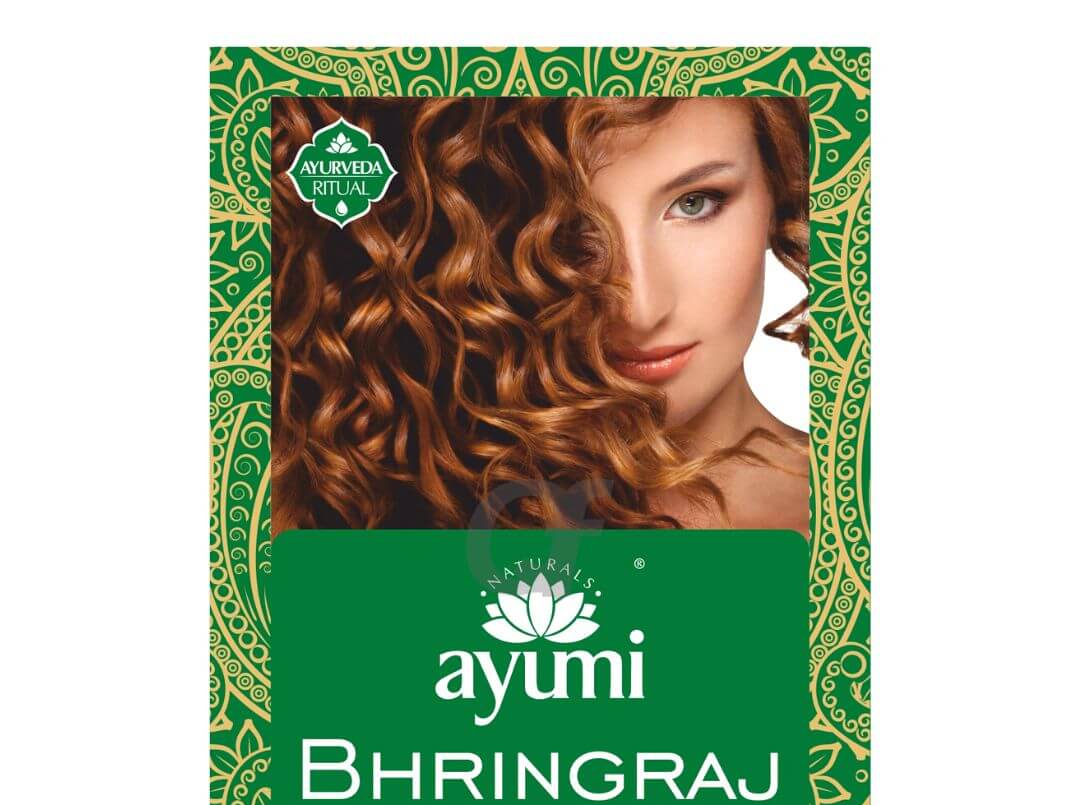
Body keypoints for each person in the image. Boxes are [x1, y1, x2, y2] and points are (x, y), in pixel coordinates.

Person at [271, 95, 809, 534]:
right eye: (566, 228)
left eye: (695, 203)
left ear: (777, 189)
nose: (638, 309)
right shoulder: (354, 513)